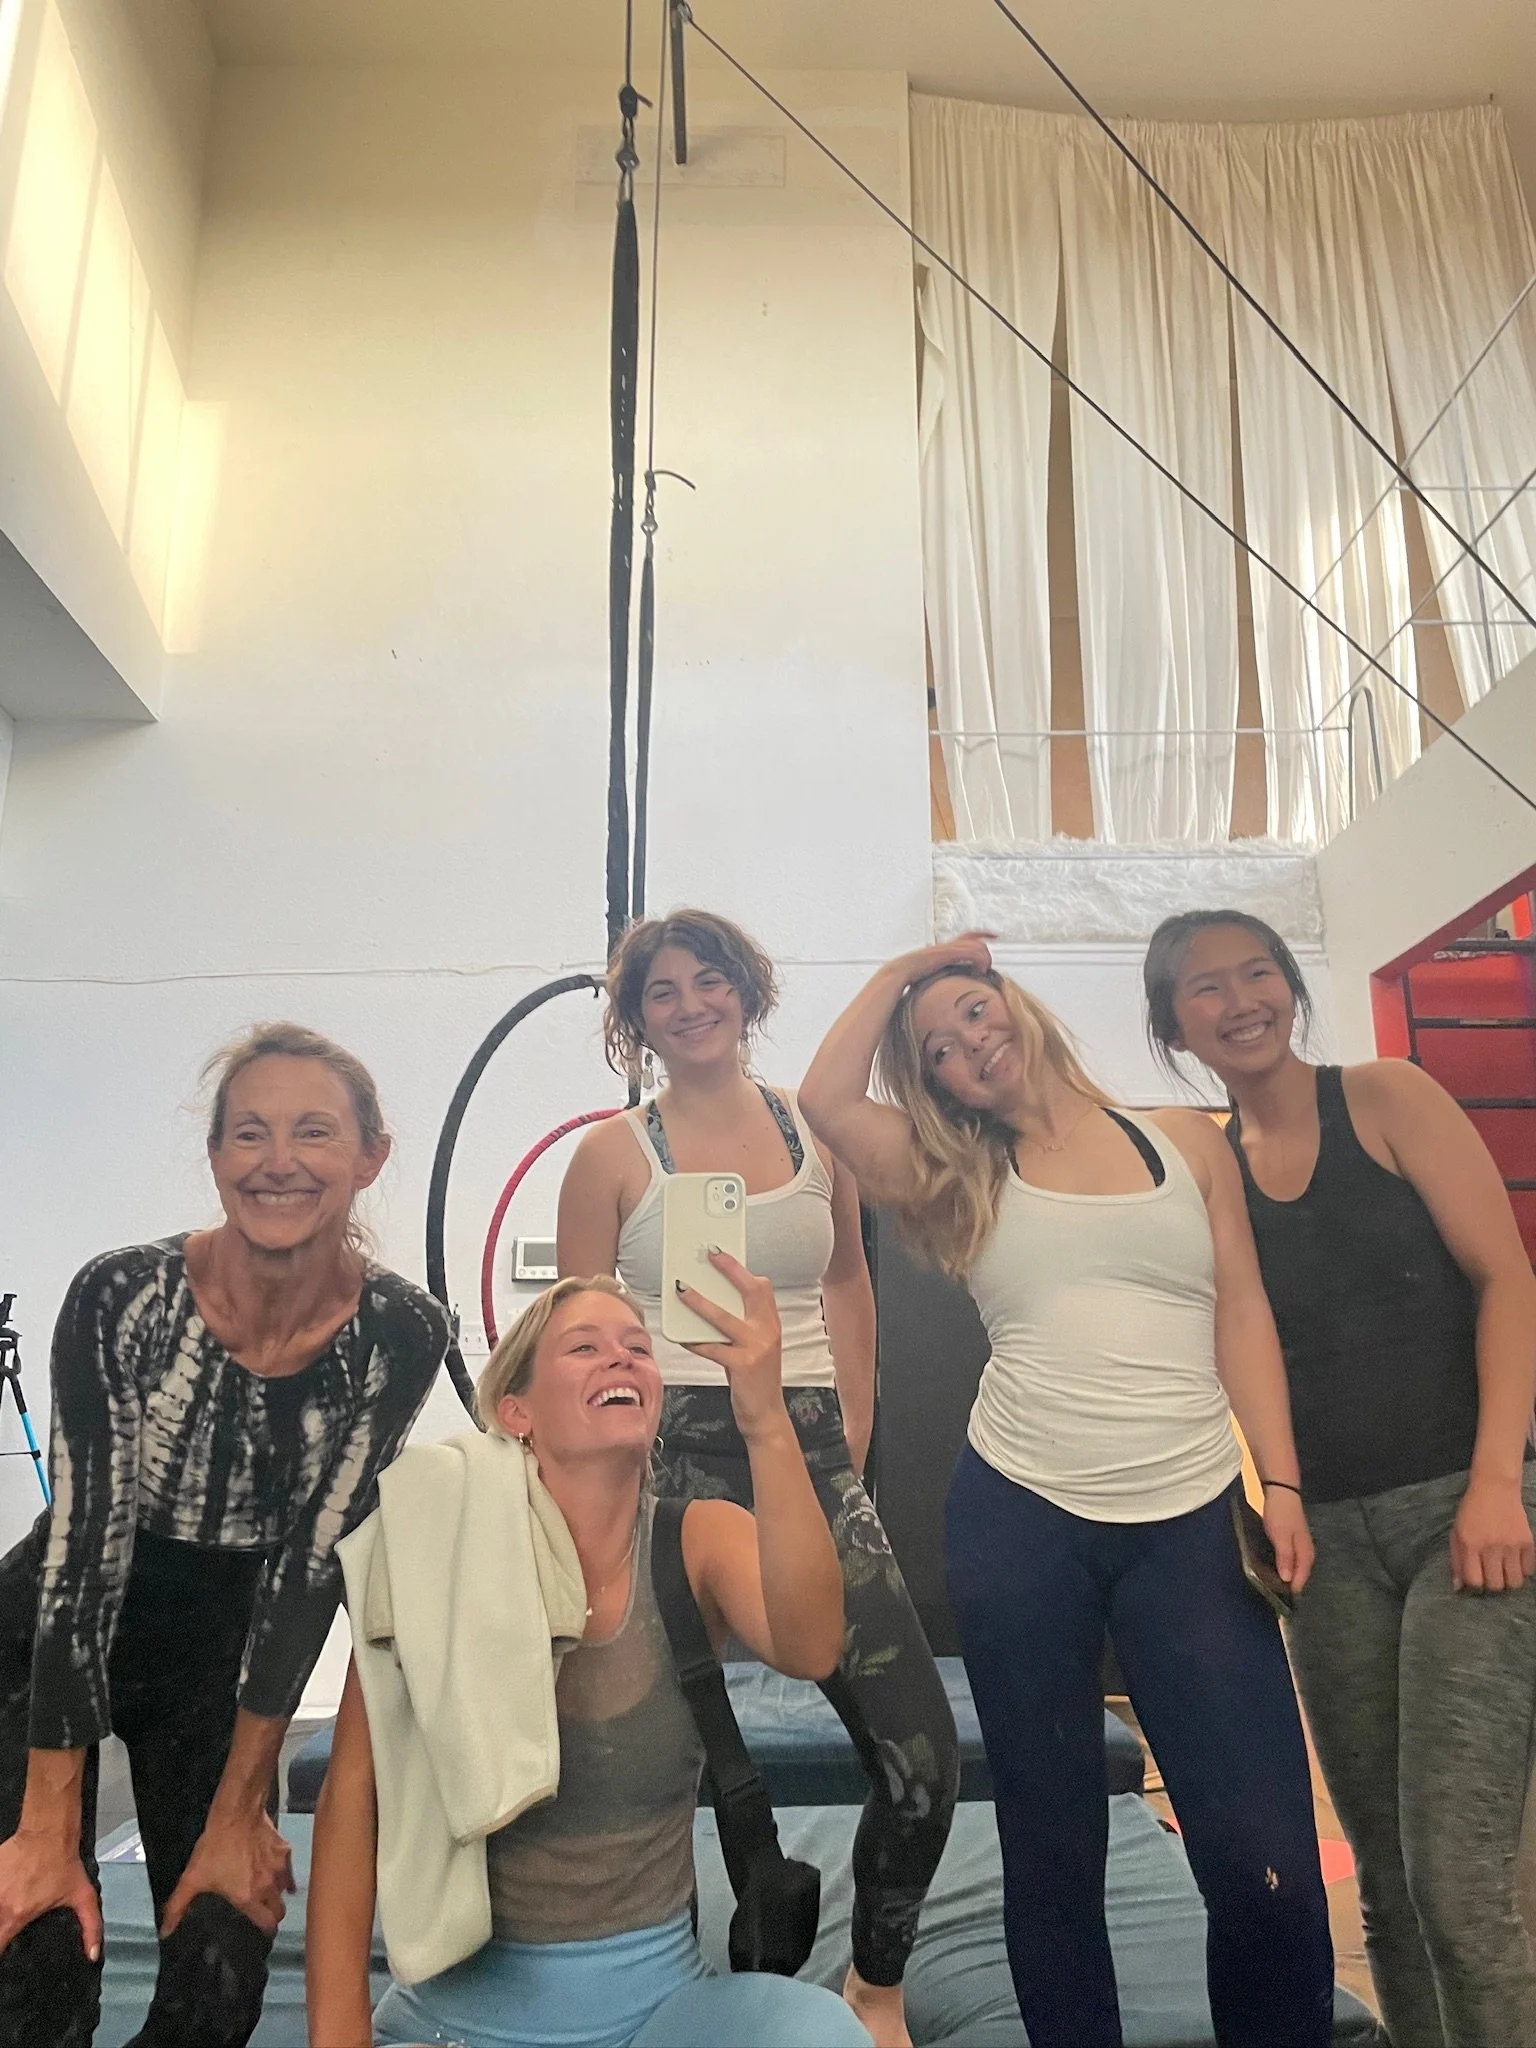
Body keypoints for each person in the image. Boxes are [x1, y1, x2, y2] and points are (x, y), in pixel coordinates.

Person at [797, 933, 1336, 2048]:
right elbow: (824, 1093)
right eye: (936, 1049)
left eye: (973, 1014)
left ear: (1017, 1006)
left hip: (1188, 1515)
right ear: (934, 1081)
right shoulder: (956, 1173)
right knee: (1054, 1844)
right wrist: (909, 965)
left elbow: (1241, 1306)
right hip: (1022, 1520)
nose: (966, 1047)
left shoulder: (1184, 1137)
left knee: (1262, 1856)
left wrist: (1278, 1477)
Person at [0, 1023, 449, 2048]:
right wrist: (45, 1826)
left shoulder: (399, 1331)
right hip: (48, 1634)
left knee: (220, 1973)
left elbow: (311, 1567)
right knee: (36, 1964)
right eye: (249, 1133)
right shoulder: (124, 1297)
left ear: (371, 1154)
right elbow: (88, 1546)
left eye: (313, 1131)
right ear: (215, 1158)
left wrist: (243, 1807)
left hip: (218, 1650)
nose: (277, 1159)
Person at [557, 909, 959, 2048]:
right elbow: (578, 1334)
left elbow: (847, 1287)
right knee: (649, 1754)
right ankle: (659, 1978)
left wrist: (853, 1439)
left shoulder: (812, 1132)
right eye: (663, 992)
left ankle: (872, 1985)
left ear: (746, 990)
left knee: (919, 1753)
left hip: (807, 1448)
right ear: (635, 1021)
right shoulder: (611, 1155)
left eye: (709, 980)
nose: (690, 1004)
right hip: (661, 1462)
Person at [1144, 908, 1536, 2048]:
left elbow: (1507, 1278)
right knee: (1388, 1886)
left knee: (1462, 1886)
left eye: (1257, 971)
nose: (1240, 1000)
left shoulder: (1386, 1095)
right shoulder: (1204, 1157)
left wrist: (1498, 1479)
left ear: (1291, 983)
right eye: (1206, 987)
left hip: (1461, 1514)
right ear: (1174, 1020)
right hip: (1324, 1549)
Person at [307, 1262, 874, 2048]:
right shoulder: (434, 1549)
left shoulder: (697, 1539)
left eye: (637, 1348)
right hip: (457, 2019)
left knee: (826, 2036)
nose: (621, 1358)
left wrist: (766, 1420)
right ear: (517, 1413)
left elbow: (812, 1645)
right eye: (584, 1348)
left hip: (660, 2009)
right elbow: (351, 1795)